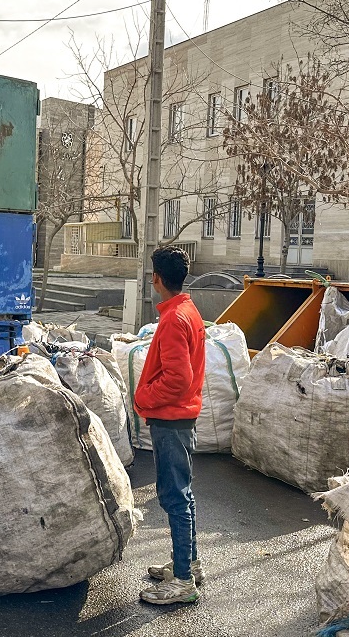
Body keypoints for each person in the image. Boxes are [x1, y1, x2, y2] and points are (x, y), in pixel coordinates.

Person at [133, 246, 207, 605]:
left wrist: (144, 397)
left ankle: (182, 581)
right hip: (180, 416)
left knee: (174, 496)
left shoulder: (174, 318)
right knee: (183, 493)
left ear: (156, 279)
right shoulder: (186, 311)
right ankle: (188, 564)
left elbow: (178, 378)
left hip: (171, 418)